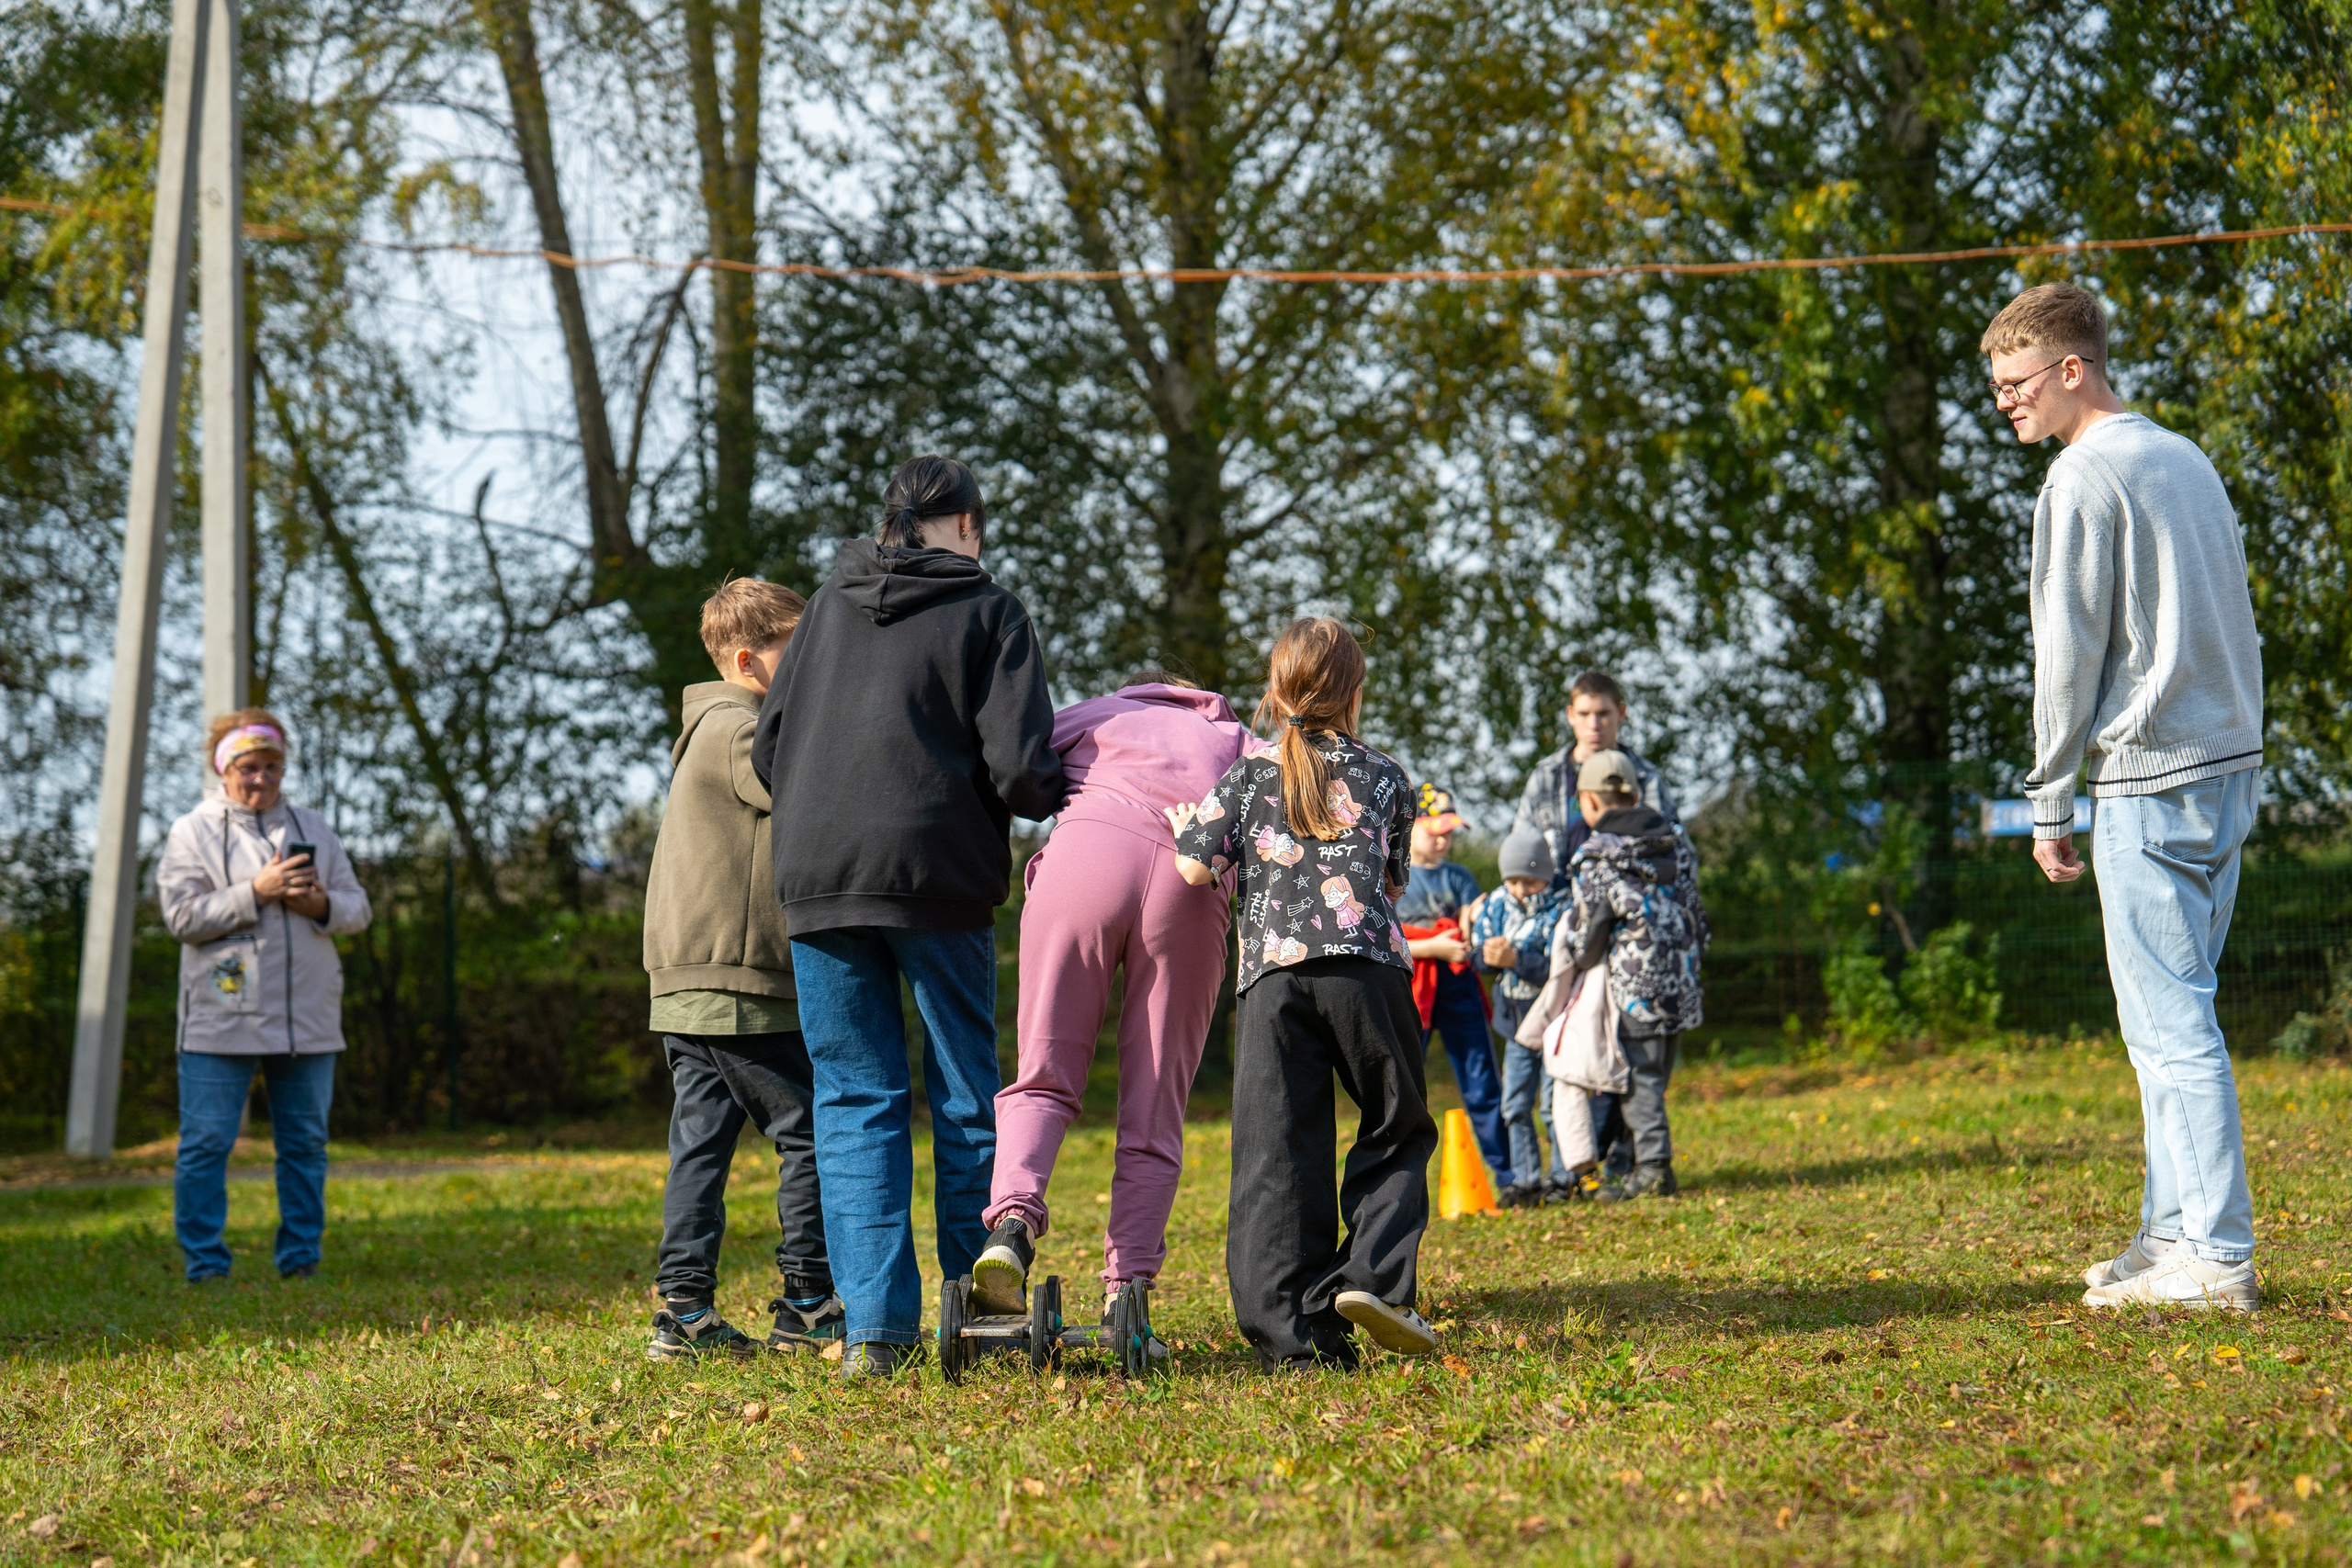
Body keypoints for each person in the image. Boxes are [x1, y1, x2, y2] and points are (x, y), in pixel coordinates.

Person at [752, 456, 1068, 1379]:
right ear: (967, 523)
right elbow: (1022, 770)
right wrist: (1065, 789)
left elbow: (770, 747)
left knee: (855, 1097)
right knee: (965, 1089)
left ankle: (876, 1334)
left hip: (819, 876)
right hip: (937, 874)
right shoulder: (990, 611)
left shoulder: (825, 608)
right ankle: (978, 1317)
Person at [1983, 283, 2264, 1311]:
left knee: (2169, 1024)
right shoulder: (2183, 457)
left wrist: (2049, 799)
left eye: (2017, 383)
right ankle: (2169, 1234)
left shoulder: (2081, 476)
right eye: (1996, 388)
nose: (2005, 403)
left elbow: (2067, 654)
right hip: (2228, 765)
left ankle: (2216, 1258)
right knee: (2170, 1014)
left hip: (2152, 776)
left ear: (2072, 368)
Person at [1170, 617, 1441, 1372]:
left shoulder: (1251, 772)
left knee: (1276, 1151)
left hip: (1274, 979)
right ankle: (1372, 1279)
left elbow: (1193, 869)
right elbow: (1391, 884)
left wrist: (1189, 827)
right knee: (1395, 1122)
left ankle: (1294, 1339)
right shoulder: (1388, 777)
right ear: (1354, 691)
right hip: (1368, 969)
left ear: (1278, 690)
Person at [972, 674, 1261, 1318]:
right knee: (1155, 1105)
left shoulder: (1100, 712)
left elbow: (1012, 760)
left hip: (1087, 856)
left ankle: (1012, 1224)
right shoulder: (1239, 739)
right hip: (1190, 878)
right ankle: (1126, 1288)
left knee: (1043, 1073)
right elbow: (1301, 792)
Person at [641, 579, 842, 1361]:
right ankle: (809, 1301)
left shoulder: (708, 728)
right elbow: (812, 797)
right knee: (813, 1130)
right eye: (799, 649)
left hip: (689, 978)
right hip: (735, 978)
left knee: (701, 1144)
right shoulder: (739, 731)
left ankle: (684, 1311)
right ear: (749, 660)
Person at [158, 709, 372, 1283]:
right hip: (220, 1017)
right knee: (206, 1144)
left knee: (305, 1144)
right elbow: (182, 918)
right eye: (249, 767)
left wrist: (320, 905)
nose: (262, 778)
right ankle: (206, 1264)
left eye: (272, 766)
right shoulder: (192, 831)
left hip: (307, 1017)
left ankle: (301, 1259)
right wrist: (256, 891)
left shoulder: (313, 826)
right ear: (223, 769)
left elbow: (358, 908)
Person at [1557, 750, 1706, 1201]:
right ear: (1636, 795)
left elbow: (1589, 932)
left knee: (1641, 1080)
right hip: (1682, 978)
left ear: (1588, 801)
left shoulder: (1597, 854)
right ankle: (1642, 1163)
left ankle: (1655, 1170)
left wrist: (1576, 958)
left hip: (1636, 985)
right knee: (1656, 1075)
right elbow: (1696, 908)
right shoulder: (1675, 841)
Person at [1395, 784, 1514, 1193]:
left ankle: (1508, 1175)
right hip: (1413, 989)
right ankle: (1400, 1181)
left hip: (1459, 986)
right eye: (1435, 831)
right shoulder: (1392, 874)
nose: (1444, 840)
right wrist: (1432, 947)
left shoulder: (1459, 877)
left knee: (1482, 1081)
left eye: (1449, 832)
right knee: (1404, 1086)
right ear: (1410, 827)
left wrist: (1476, 923)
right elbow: (1380, 939)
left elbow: (1472, 931)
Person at [1471, 827, 1570, 1205]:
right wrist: (1489, 956)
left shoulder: (1562, 908)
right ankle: (1525, 1179)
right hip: (1515, 1023)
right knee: (1514, 1104)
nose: (1520, 890)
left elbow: (1562, 969)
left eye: (1529, 881)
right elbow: (1477, 955)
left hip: (1554, 1019)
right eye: (1512, 881)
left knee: (1553, 1104)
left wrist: (1516, 960)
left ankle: (1561, 1177)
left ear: (1544, 875)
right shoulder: (1497, 903)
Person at [1510, 671, 1679, 884]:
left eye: (1603, 713)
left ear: (1621, 712)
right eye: (1584, 714)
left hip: (1629, 895)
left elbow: (1675, 852)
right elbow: (1520, 852)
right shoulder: (1545, 778)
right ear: (1570, 714)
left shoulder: (1647, 779)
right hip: (1556, 896)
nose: (1594, 724)